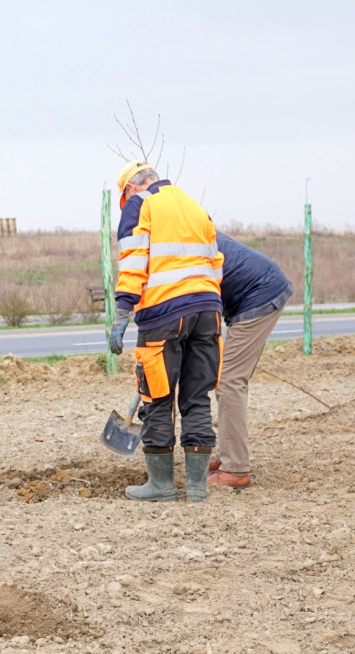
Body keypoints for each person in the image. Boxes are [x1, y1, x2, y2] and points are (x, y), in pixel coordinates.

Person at [109, 160, 224, 503]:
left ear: (131, 188)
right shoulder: (196, 208)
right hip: (208, 311)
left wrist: (122, 312)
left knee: (157, 396)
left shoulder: (139, 204)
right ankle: (197, 488)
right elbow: (216, 263)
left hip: (163, 314)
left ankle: (161, 485)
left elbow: (133, 260)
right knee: (197, 396)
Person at [208, 233, 293, 488]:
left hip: (258, 292)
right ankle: (227, 454)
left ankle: (235, 469)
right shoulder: (183, 226)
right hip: (257, 287)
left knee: (229, 380)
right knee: (228, 378)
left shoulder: (179, 240)